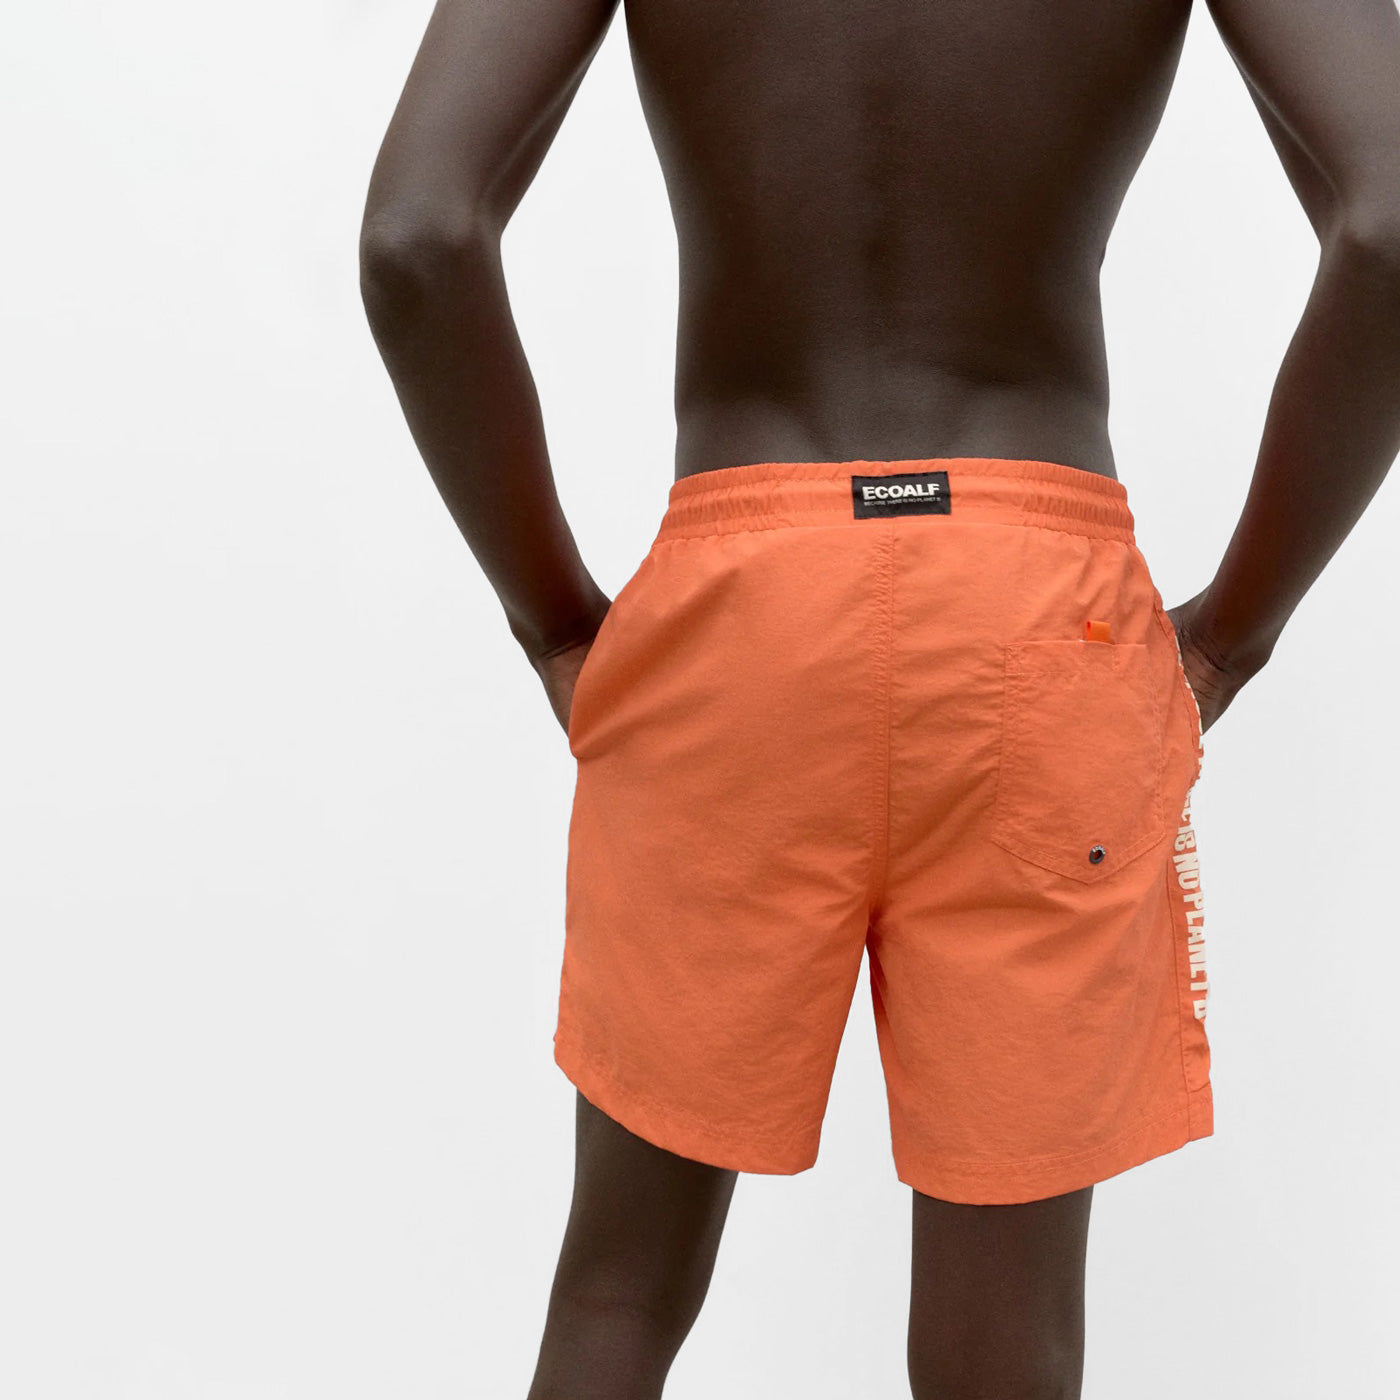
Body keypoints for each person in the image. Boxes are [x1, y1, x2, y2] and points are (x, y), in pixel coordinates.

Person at [357, 0, 1400, 1394]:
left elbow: (418, 237)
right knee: (1006, 1349)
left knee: (620, 1288)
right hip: (1036, 610)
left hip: (740, 614)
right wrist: (1231, 636)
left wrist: (552, 620)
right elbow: (1392, 224)